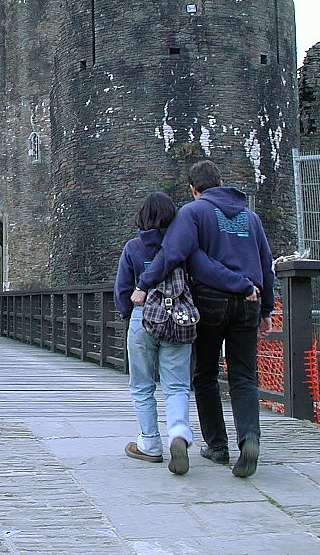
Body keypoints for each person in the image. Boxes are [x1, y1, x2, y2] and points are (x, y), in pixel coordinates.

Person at [130, 160, 275, 478]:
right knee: (244, 377)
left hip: (210, 301)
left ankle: (217, 446)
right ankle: (249, 439)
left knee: (205, 374)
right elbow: (266, 262)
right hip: (249, 301)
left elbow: (173, 253)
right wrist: (266, 309)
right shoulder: (251, 218)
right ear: (221, 181)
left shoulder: (193, 213)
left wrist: (143, 284)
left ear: (194, 189)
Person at [115, 191, 247, 476]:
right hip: (179, 319)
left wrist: (132, 316)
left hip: (143, 319)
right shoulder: (185, 248)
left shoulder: (134, 248)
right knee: (177, 386)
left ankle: (150, 443)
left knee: (142, 386)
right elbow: (203, 277)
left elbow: (123, 291)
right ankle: (178, 433)